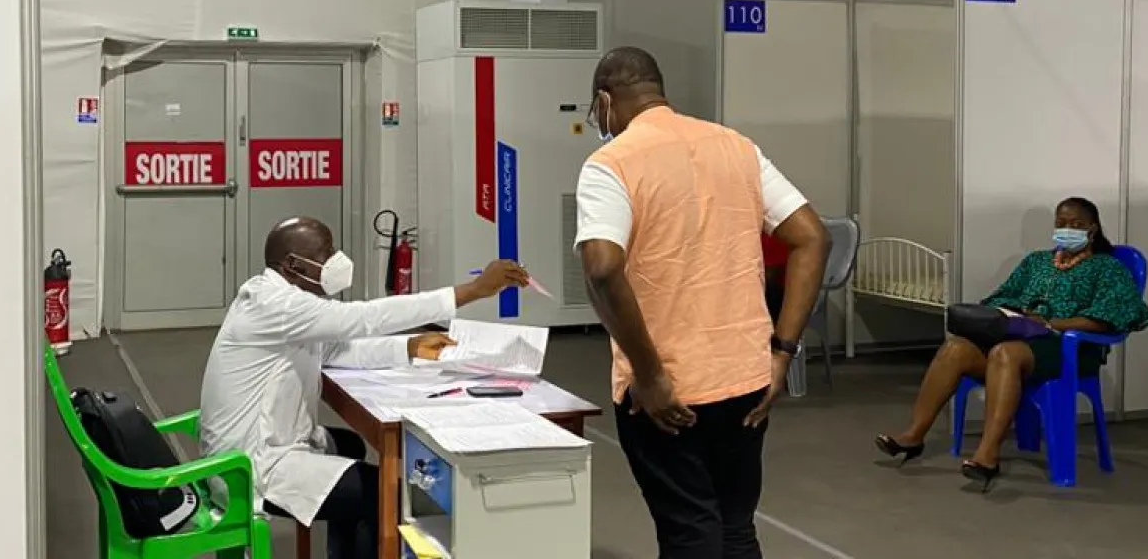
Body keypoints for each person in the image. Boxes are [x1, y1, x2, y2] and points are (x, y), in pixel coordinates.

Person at [574, 47, 831, 559]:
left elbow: (602, 267)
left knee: (689, 531)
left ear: (604, 101)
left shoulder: (610, 164)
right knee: (735, 527)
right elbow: (813, 238)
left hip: (668, 393)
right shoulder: (738, 148)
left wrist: (649, 375)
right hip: (746, 380)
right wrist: (782, 352)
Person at [197, 216, 528, 559]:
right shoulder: (275, 305)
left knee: (350, 445)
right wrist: (472, 290)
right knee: (382, 495)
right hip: (248, 469)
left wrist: (409, 347)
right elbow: (363, 318)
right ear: (294, 265)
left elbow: (335, 350)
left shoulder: (285, 301)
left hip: (258, 446)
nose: (337, 259)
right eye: (327, 252)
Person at [875, 197, 1148, 490]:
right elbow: (1001, 297)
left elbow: (1109, 319)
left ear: (1092, 229)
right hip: (1020, 340)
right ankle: (914, 436)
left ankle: (987, 456)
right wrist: (1012, 314)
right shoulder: (1037, 261)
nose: (1067, 230)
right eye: (1061, 223)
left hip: (1069, 348)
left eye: (1076, 225)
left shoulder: (1107, 268)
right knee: (956, 348)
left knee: (1005, 353)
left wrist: (1049, 323)